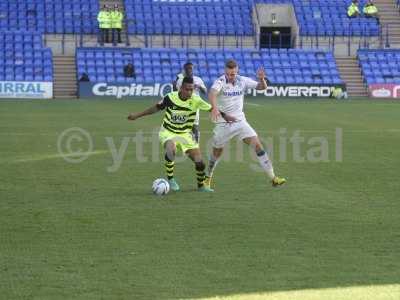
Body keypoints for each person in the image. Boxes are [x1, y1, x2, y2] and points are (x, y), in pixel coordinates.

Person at [127, 77, 223, 193]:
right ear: (181, 88)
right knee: (170, 149)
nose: (189, 92)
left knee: (200, 163)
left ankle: (201, 186)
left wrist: (227, 117)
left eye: (191, 90)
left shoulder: (196, 100)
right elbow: (155, 108)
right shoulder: (170, 97)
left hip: (185, 134)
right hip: (168, 132)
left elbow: (213, 110)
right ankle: (171, 179)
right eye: (187, 89)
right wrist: (137, 115)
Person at [204, 59, 286, 189]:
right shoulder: (220, 81)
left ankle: (273, 178)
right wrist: (214, 108)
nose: (232, 76)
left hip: (240, 121)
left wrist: (262, 79)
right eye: (230, 74)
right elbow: (212, 93)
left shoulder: (242, 80)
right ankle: (207, 177)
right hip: (223, 123)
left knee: (258, 145)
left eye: (234, 73)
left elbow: (262, 87)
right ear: (225, 71)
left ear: (237, 71)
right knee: (217, 153)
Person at [173, 62, 207, 143]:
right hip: (183, 105)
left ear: (193, 69)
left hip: (194, 106)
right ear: (184, 70)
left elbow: (205, 92)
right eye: (187, 69)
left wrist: (199, 86)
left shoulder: (198, 80)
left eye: (190, 68)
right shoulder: (180, 80)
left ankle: (196, 144)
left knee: (194, 126)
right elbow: (176, 93)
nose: (189, 70)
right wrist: (174, 86)